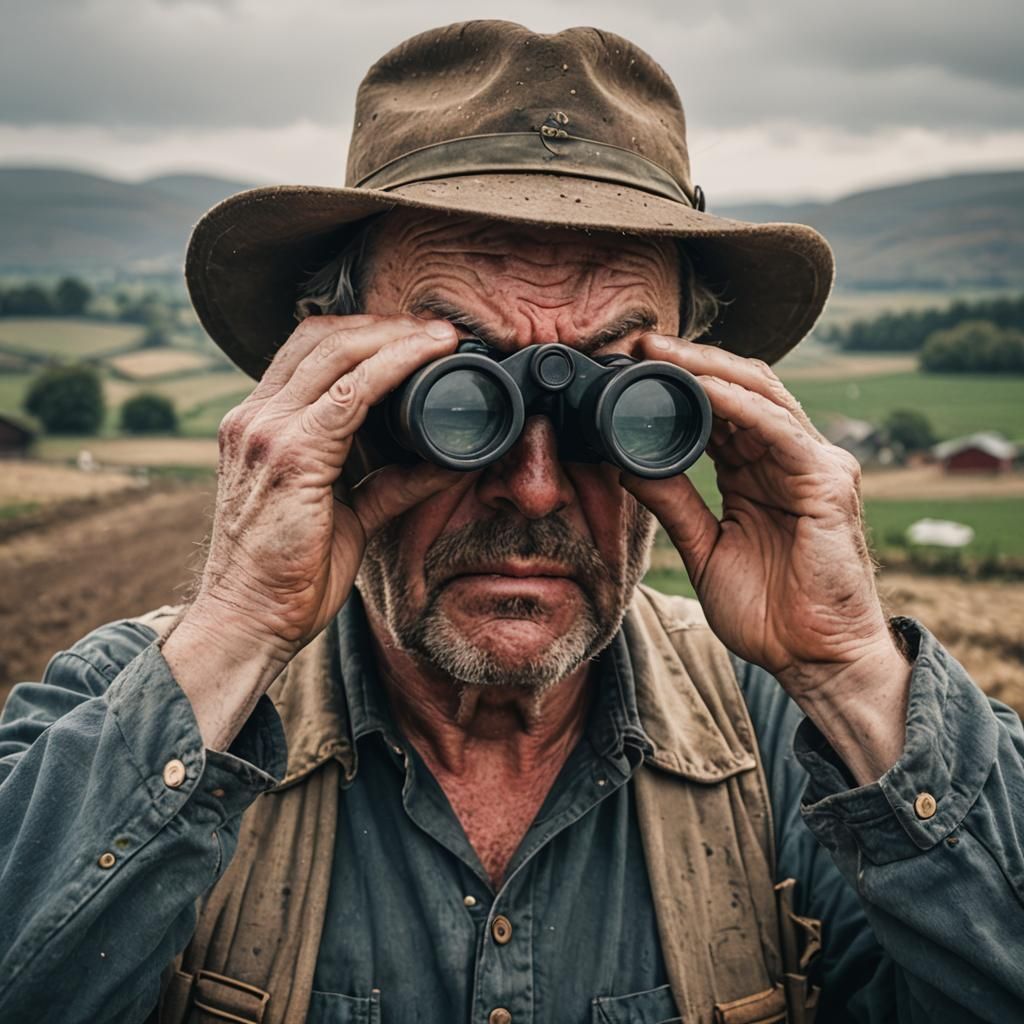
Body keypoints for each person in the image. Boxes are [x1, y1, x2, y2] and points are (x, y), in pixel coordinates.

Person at [1, 20, 1022, 1024]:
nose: (532, 486)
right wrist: (233, 629)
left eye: (614, 408)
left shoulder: (796, 751)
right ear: (337, 408)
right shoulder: (120, 714)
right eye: (454, 401)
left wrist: (849, 673)